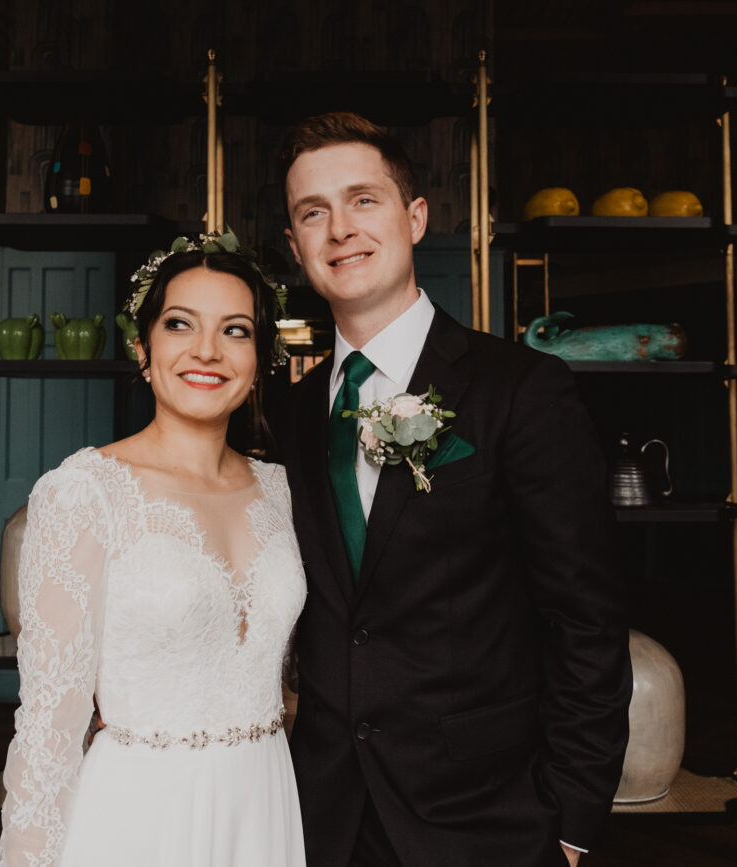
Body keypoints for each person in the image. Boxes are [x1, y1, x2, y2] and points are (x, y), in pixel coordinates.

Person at [274, 112, 632, 866]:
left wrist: (571, 819)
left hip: (487, 820)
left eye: (363, 200)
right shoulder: (288, 415)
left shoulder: (524, 391)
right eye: (313, 212)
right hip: (323, 818)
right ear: (296, 244)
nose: (340, 228)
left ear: (416, 218)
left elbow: (586, 618)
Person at [0, 236, 307, 867]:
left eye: (236, 330)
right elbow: (47, 728)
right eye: (179, 324)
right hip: (139, 816)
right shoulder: (83, 493)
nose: (207, 351)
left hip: (266, 807)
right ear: (143, 349)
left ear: (260, 358)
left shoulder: (283, 491)